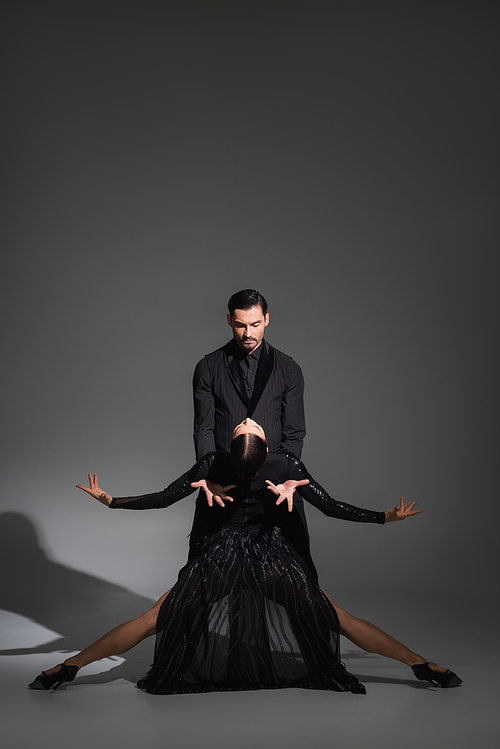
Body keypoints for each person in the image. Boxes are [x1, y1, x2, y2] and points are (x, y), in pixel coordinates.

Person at [28, 419, 461, 694]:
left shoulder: (213, 463)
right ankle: (421, 665)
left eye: (243, 428)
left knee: (153, 619)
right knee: (337, 617)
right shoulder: (286, 464)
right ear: (263, 448)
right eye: (247, 428)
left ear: (235, 451)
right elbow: (333, 507)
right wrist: (386, 517)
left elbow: (162, 499)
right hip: (271, 559)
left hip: (219, 558)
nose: (248, 420)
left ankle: (70, 666)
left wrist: (111, 501)